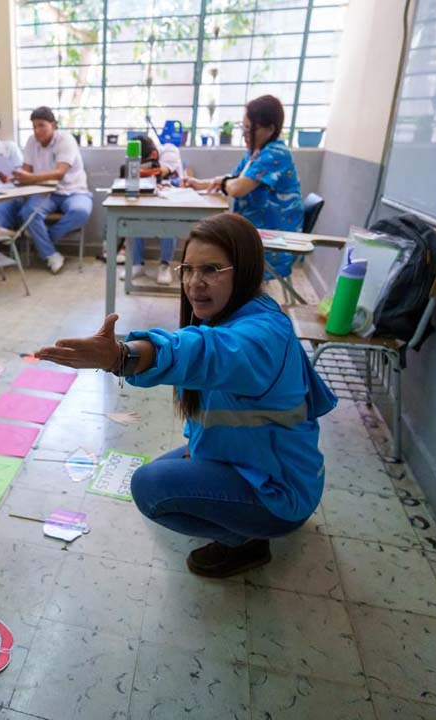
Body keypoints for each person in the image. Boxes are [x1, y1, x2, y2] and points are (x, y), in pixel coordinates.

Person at [34, 213, 336, 578]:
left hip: (281, 491)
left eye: (211, 270)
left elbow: (199, 351)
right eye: (187, 269)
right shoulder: (233, 314)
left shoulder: (260, 334)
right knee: (162, 473)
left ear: (244, 270)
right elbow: (209, 387)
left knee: (151, 488)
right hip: (258, 464)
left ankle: (247, 542)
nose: (195, 283)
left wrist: (122, 356)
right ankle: (245, 520)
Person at [185, 95, 303, 278]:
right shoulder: (255, 153)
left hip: (275, 241)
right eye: (244, 127)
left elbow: (236, 188)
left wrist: (225, 183)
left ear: (270, 129)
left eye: (249, 128)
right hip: (255, 232)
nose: (244, 134)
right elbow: (232, 178)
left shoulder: (276, 154)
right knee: (211, 242)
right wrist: (200, 184)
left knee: (211, 248)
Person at [10, 106, 92, 274]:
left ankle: (43, 242)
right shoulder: (32, 141)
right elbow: (26, 171)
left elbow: (59, 174)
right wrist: (14, 177)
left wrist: (30, 178)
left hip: (74, 191)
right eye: (34, 127)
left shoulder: (66, 140)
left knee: (81, 212)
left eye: (41, 125)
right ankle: (51, 254)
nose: (37, 131)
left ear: (53, 125)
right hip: (46, 192)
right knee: (28, 212)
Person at [120, 135, 183, 285]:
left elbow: (163, 171)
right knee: (135, 216)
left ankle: (164, 265)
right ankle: (137, 264)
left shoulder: (170, 151)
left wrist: (139, 170)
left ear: (154, 155)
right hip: (149, 196)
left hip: (171, 198)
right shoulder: (143, 159)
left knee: (168, 221)